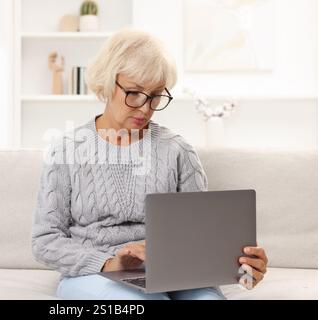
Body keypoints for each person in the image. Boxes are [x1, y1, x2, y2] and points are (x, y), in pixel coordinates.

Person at [32, 28, 268, 300]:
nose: (145, 108)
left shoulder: (178, 151)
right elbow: (45, 240)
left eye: (156, 95)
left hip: (177, 271)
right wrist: (109, 263)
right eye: (134, 93)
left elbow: (202, 237)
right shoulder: (66, 151)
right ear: (108, 83)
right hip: (96, 273)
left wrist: (244, 269)